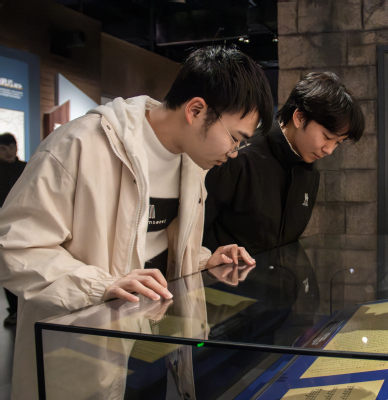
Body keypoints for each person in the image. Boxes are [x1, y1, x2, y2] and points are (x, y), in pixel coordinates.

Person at [0, 45, 273, 399]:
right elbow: (15, 246)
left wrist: (204, 261)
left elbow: (149, 243)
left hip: (153, 345)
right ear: (195, 110)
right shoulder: (80, 144)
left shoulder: (191, 163)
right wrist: (100, 286)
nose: (234, 152)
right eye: (235, 138)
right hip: (84, 352)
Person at [203, 72, 365, 255]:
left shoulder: (309, 168)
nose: (329, 150)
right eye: (327, 137)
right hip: (227, 273)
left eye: (337, 143)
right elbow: (199, 234)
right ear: (299, 118)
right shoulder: (239, 156)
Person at [0, 133, 26, 326]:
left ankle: (26, 309)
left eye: (11, 147)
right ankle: (14, 310)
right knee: (8, 268)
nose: (8, 152)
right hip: (3, 227)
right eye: (3, 149)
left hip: (24, 225)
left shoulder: (26, 168)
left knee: (26, 267)